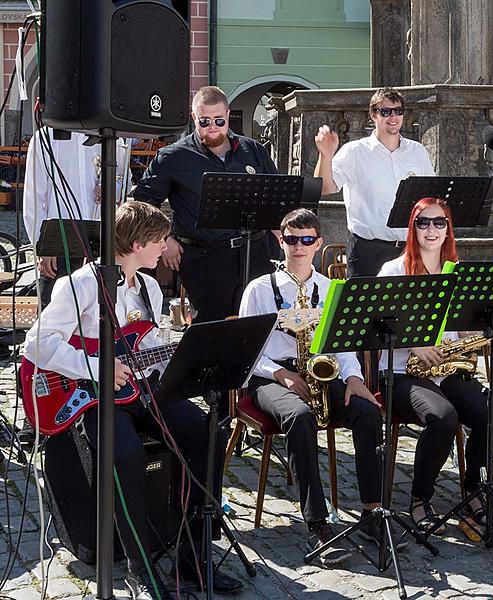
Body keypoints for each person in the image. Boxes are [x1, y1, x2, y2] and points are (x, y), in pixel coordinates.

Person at [23, 201, 240, 599]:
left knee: (205, 433)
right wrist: (97, 366)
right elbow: (36, 344)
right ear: (138, 243)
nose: (165, 247)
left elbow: (147, 344)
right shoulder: (84, 283)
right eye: (159, 240)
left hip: (138, 389)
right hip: (87, 394)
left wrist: (178, 356)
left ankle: (192, 557)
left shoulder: (150, 286)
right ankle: (139, 568)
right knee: (126, 456)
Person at [239, 208, 385, 566]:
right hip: (270, 377)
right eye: (291, 239)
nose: (299, 247)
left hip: (321, 372)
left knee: (367, 412)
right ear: (281, 240)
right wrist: (282, 375)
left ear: (318, 243)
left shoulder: (330, 289)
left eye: (307, 240)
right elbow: (243, 351)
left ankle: (372, 512)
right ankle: (318, 523)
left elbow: (343, 345)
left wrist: (353, 378)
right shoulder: (259, 289)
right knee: (300, 416)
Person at [377, 197, 493, 533]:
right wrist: (416, 345)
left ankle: (474, 489)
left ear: (449, 229)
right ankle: (420, 499)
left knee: (492, 413)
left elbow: (465, 327)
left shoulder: (458, 273)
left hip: (446, 368)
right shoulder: (394, 270)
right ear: (412, 228)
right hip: (402, 370)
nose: (431, 230)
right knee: (443, 417)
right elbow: (377, 327)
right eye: (423, 223)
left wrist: (480, 330)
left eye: (439, 223)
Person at [134, 85, 281, 323]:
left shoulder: (253, 150)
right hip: (204, 259)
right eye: (204, 121)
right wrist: (165, 239)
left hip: (254, 253)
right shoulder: (172, 157)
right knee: (211, 331)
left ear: (228, 115)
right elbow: (143, 201)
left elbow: (275, 196)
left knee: (257, 326)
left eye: (219, 120)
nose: (212, 126)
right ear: (194, 118)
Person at [314, 87, 435, 277]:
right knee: (362, 307)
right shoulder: (354, 151)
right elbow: (325, 187)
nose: (393, 117)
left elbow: (430, 198)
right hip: (369, 251)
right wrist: (326, 155)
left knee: (412, 307)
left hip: (411, 248)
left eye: (398, 111)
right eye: (385, 112)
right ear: (373, 115)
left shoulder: (417, 151)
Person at [22, 128, 130, 306]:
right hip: (59, 240)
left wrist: (110, 187)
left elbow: (124, 178)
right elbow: (34, 197)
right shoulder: (45, 137)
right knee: (55, 315)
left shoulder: (108, 132)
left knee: (98, 315)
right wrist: (42, 246)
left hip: (100, 238)